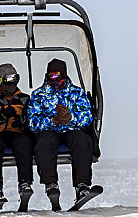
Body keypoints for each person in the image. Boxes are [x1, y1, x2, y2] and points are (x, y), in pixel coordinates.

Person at [27, 58, 94, 210]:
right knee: (45, 141)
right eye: (51, 76)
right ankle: (51, 184)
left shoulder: (76, 93)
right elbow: (32, 123)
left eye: (58, 76)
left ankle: (81, 185)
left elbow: (87, 117)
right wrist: (53, 120)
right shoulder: (39, 95)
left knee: (83, 140)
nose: (54, 80)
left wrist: (71, 117)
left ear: (64, 75)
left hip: (70, 129)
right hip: (50, 131)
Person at [0, 63, 34, 209]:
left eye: (14, 80)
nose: (11, 85)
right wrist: (0, 117)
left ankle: (25, 182)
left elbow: (32, 122)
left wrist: (21, 121)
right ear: (0, 81)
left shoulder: (24, 99)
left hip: (16, 133)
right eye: (8, 81)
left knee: (23, 143)